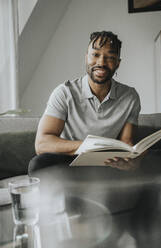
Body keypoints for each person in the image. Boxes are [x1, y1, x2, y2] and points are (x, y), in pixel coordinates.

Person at [28, 30, 141, 174]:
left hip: (106, 163)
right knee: (38, 164)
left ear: (118, 63)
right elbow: (42, 144)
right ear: (86, 58)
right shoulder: (64, 92)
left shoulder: (130, 96)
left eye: (110, 57)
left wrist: (131, 160)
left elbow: (127, 142)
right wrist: (89, 147)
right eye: (95, 55)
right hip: (69, 160)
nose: (101, 62)